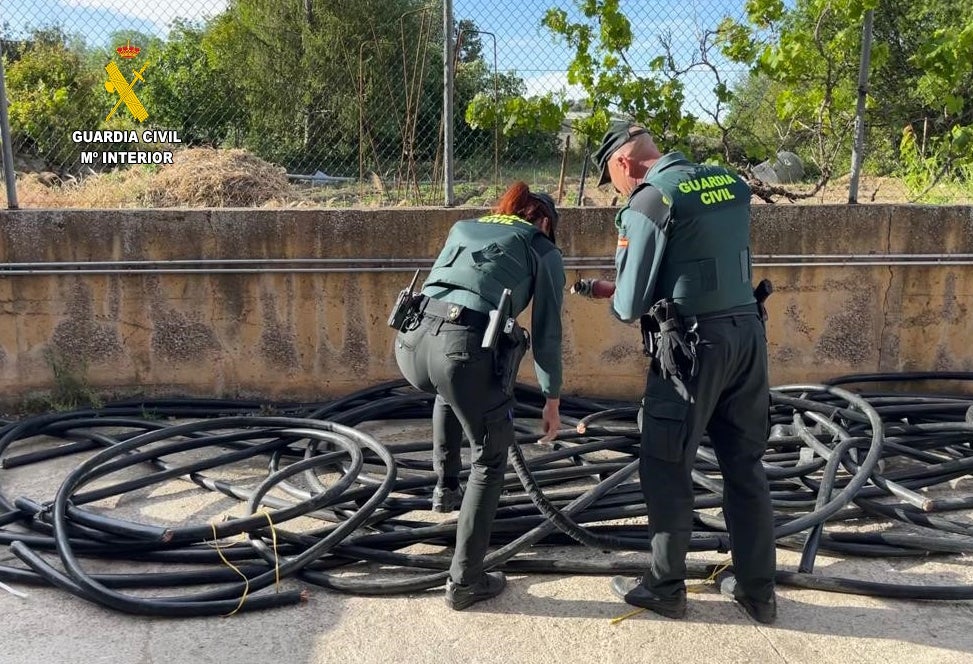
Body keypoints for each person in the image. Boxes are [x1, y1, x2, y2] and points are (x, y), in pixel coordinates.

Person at [571, 121, 777, 624]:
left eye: (613, 180)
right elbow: (698, 255)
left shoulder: (648, 201)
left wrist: (613, 293)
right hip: (747, 336)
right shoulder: (728, 182)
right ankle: (758, 592)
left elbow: (629, 304)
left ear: (623, 163)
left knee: (666, 465)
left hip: (691, 351)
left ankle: (664, 586)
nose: (618, 191)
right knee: (744, 466)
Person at [392, 181, 565, 610]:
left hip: (410, 345)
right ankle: (465, 581)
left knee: (448, 391)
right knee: (490, 459)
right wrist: (552, 397)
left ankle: (445, 489)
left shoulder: (464, 226)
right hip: (460, 354)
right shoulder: (542, 248)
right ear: (543, 220)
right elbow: (547, 335)